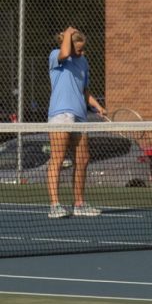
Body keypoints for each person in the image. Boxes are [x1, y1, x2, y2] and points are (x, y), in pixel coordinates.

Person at [46, 26, 106, 218]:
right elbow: (65, 52)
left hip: (80, 116)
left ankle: (79, 204)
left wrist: (97, 106)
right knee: (58, 158)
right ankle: (55, 205)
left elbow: (84, 90)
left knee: (83, 159)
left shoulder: (83, 62)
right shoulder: (56, 55)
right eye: (78, 49)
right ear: (70, 46)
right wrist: (69, 34)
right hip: (61, 115)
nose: (82, 52)